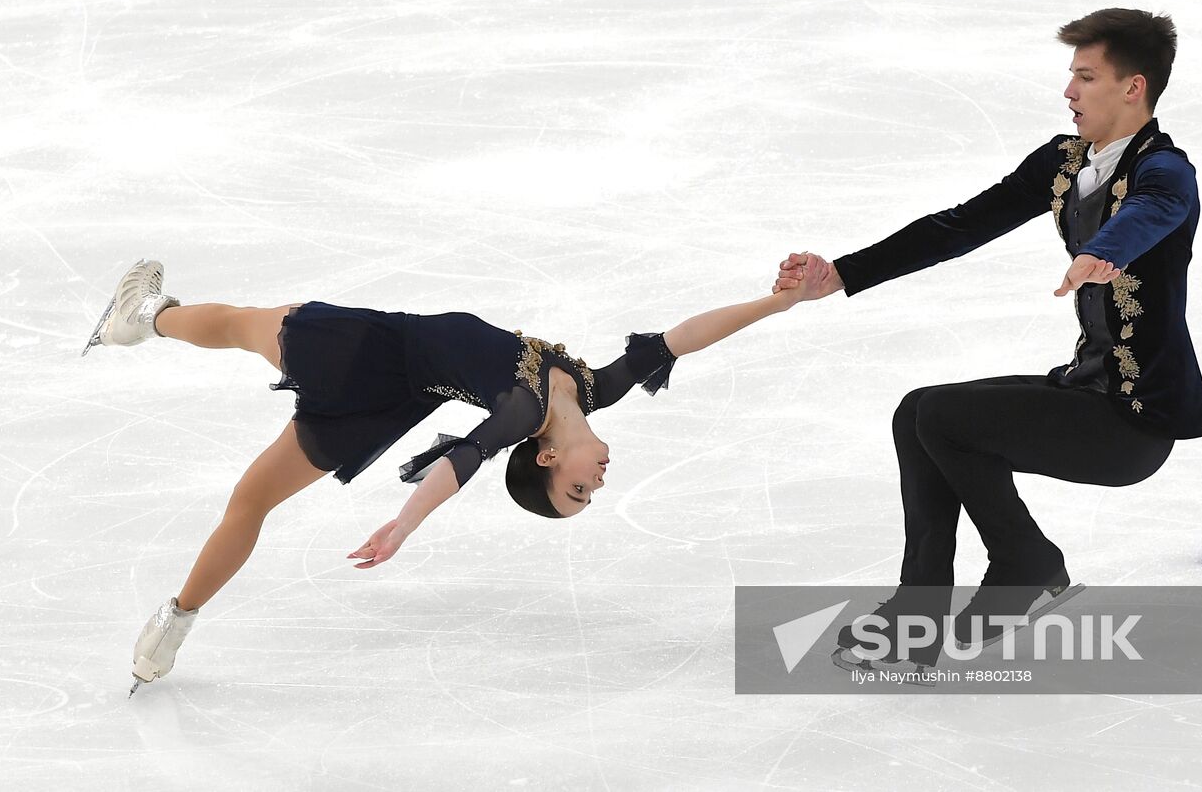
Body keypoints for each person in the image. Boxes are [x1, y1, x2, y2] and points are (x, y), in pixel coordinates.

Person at [85, 256, 825, 693]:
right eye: (592, 493)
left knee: (246, 327)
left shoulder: (523, 410)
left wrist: (403, 526)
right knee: (250, 499)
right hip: (390, 398)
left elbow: (461, 463)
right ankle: (170, 626)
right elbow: (680, 341)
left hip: (369, 354)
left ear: (545, 459)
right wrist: (777, 302)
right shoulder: (591, 388)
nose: (599, 479)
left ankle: (144, 317)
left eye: (578, 489)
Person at [772, 8, 1202, 670]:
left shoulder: (1166, 171)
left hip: (1134, 420)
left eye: (1086, 77)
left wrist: (1104, 250)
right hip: (1086, 391)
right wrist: (843, 273)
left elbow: (1156, 211)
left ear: (1133, 88)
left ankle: (1025, 562)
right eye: (1071, 75)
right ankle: (916, 615)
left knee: (947, 418)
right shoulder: (1063, 164)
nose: (1069, 91)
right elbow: (960, 226)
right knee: (918, 411)